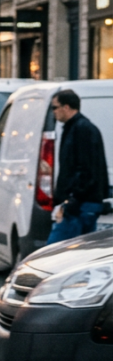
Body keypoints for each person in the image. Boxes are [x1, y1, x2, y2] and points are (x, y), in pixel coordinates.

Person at [47, 88, 109, 244]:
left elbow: (85, 168)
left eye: (55, 107)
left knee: (55, 250)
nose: (53, 112)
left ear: (66, 107)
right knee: (78, 250)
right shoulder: (78, 129)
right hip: (82, 203)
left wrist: (72, 198)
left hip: (80, 204)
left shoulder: (81, 130)